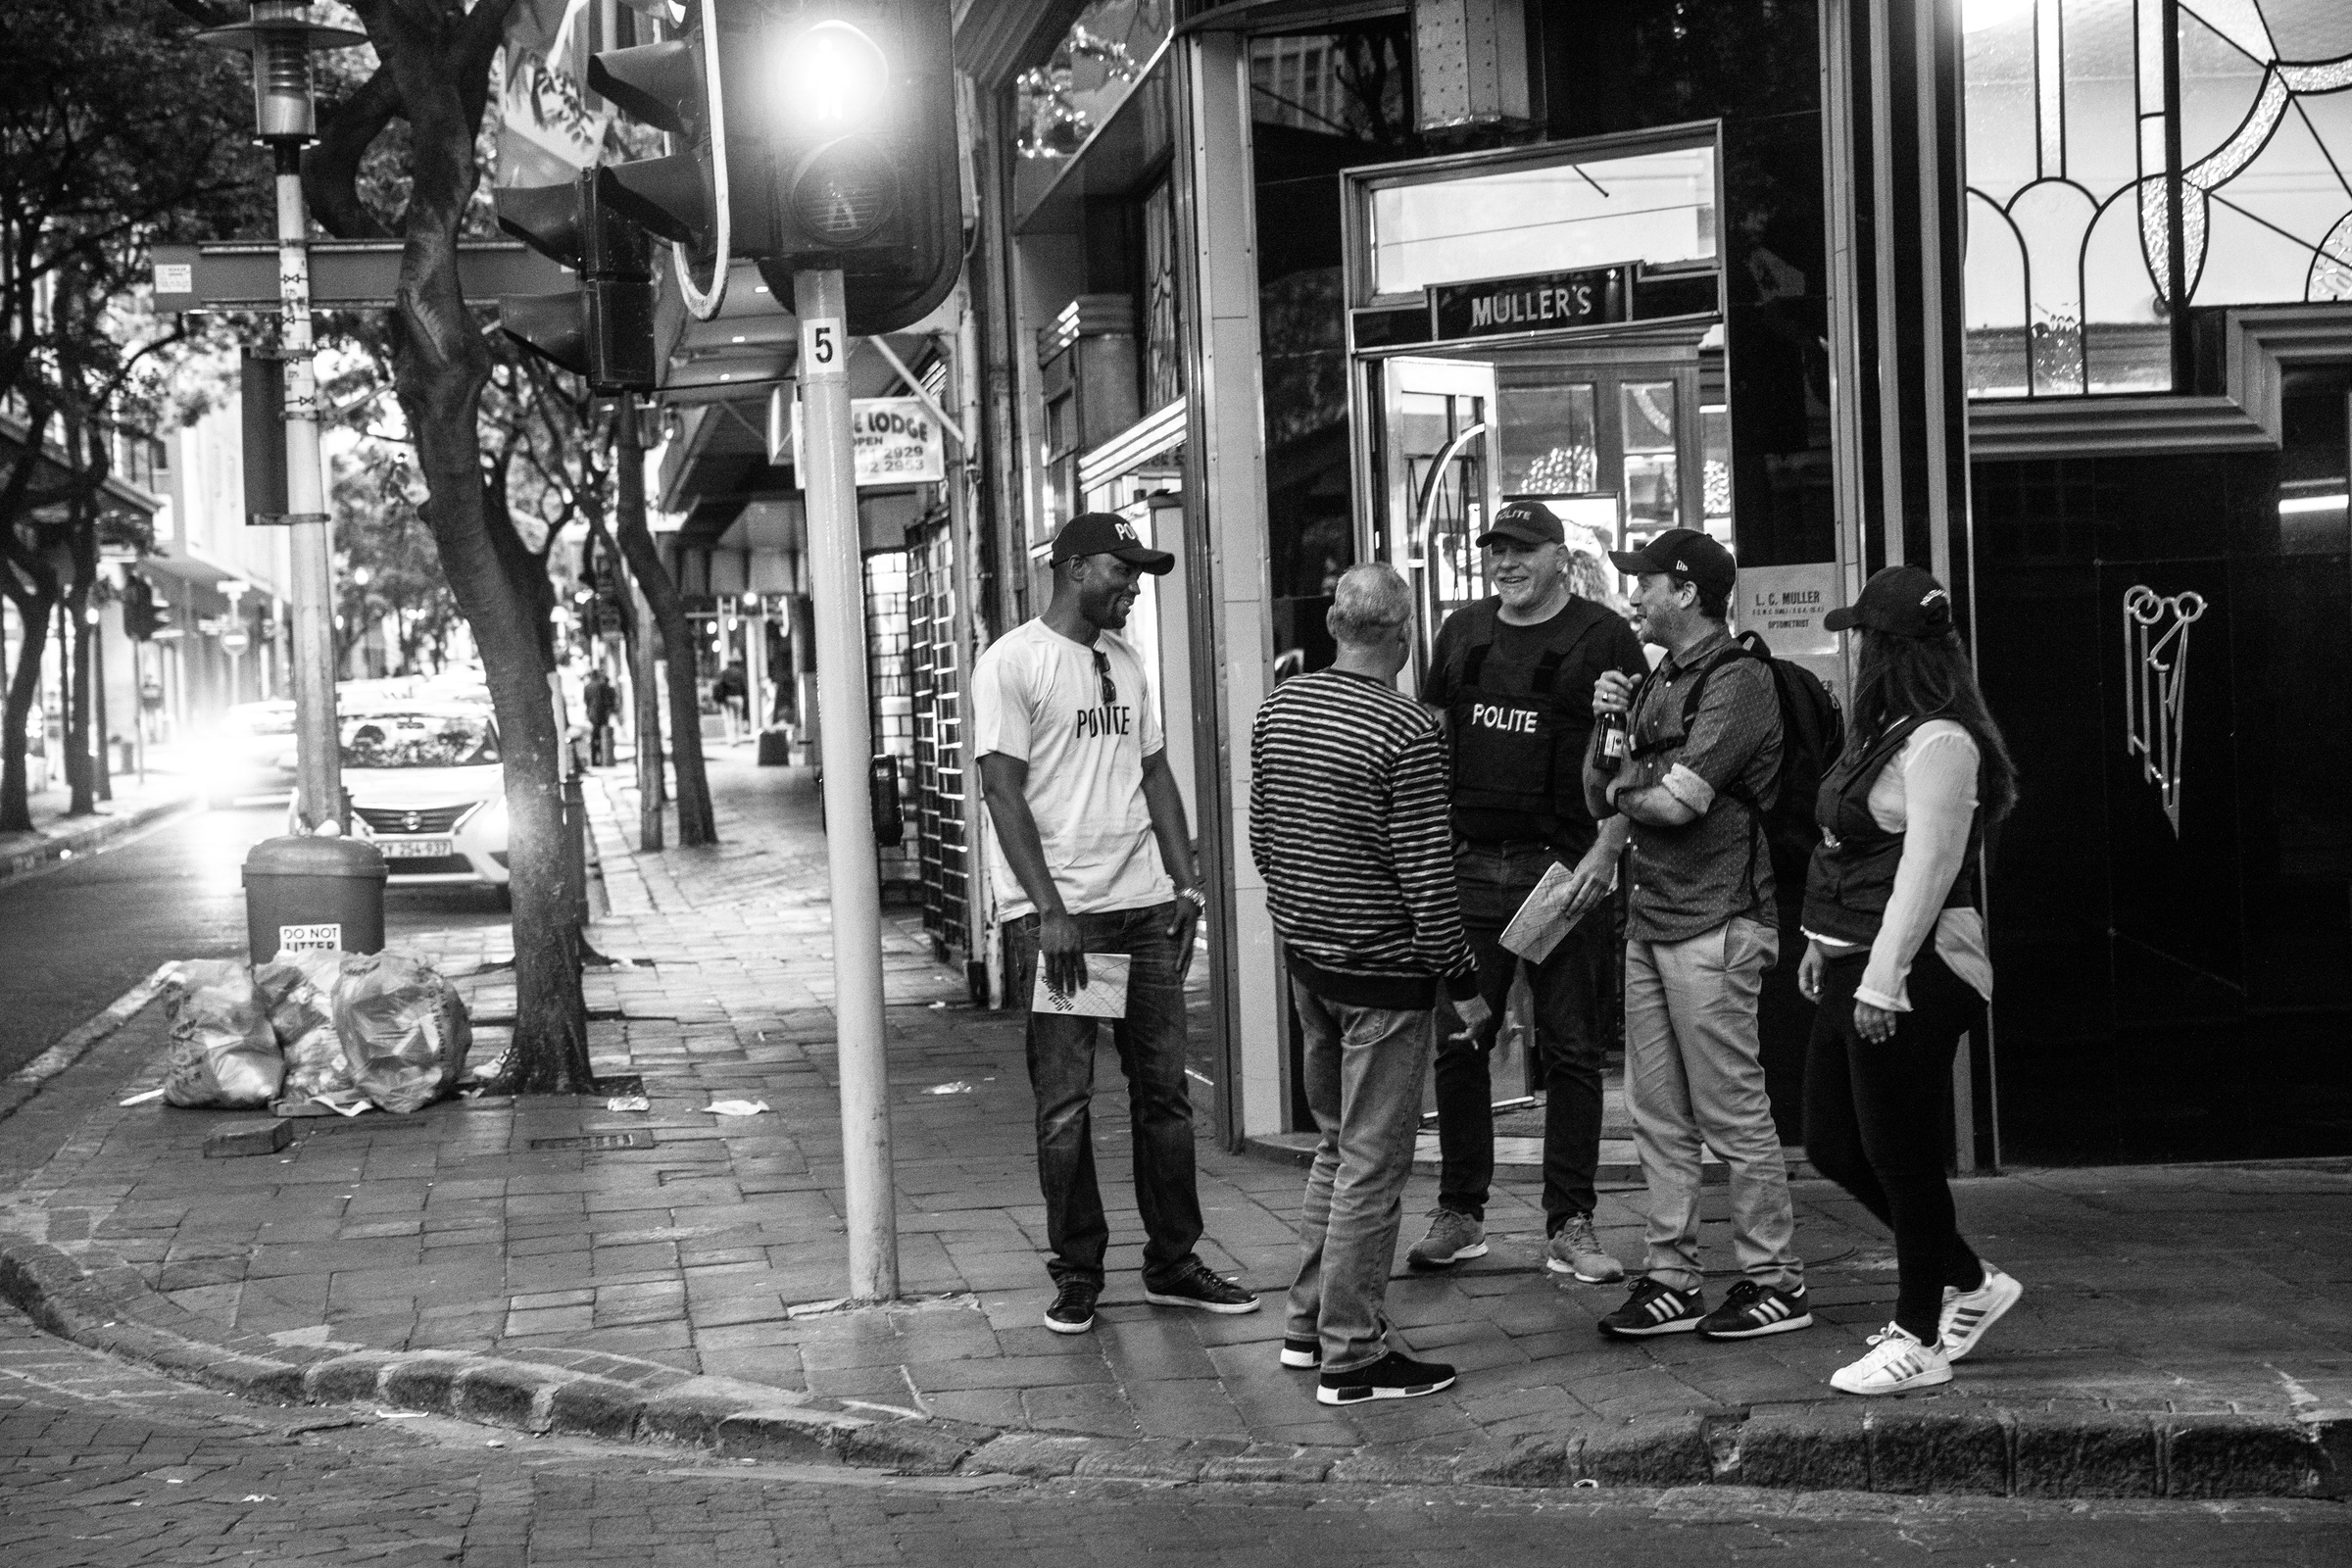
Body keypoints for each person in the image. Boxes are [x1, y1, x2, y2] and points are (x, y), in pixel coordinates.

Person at [972, 512, 1259, 1334]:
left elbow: (1155, 771)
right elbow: (1002, 793)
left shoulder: (1126, 660)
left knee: (1163, 1096)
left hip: (1140, 913)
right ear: (1073, 570)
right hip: (1068, 926)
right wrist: (1050, 912)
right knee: (1067, 1105)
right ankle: (1078, 1271)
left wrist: (1187, 881)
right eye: (1122, 570)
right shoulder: (1014, 664)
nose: (1134, 584)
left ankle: (1173, 1261)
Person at [1250, 564, 1492, 1405]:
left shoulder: (1281, 706)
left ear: (1334, 626)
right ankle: (1352, 1355)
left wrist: (1299, 926)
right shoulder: (1407, 729)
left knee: (1334, 1147)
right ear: (1401, 633)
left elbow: (1262, 838)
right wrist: (1464, 982)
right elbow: (1426, 877)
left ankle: (1306, 1322)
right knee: (1372, 1166)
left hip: (1308, 962)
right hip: (1383, 976)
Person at [1409, 501, 1647, 1285]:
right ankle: (1460, 1211)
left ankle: (1570, 1224)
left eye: (1520, 551)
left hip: (1561, 871)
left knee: (1572, 1050)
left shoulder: (1605, 636)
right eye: (1495, 551)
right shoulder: (1462, 632)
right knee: (1460, 1041)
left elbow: (1632, 754)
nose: (1504, 564)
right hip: (1471, 865)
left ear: (1557, 555)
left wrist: (1608, 852)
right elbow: (1432, 737)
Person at [1799, 564, 2024, 1395]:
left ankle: (1919, 1336)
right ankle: (1970, 1280)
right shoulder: (1888, 729)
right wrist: (1823, 943)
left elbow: (1927, 871)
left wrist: (1883, 984)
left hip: (1920, 970)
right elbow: (1851, 854)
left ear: (1889, 647)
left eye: (1862, 636)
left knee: (1901, 1158)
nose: (1852, 648)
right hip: (1858, 961)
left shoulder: (1941, 742)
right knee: (1832, 1142)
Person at [1584, 528, 1809, 1341]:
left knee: (1732, 1114)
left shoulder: (1740, 680)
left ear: (1683, 590)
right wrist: (1610, 731)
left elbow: (1678, 804)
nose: (1630, 597)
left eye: (1641, 583)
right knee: (1659, 1117)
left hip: (1718, 921)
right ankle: (1673, 1278)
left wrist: (1624, 790)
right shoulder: (1653, 685)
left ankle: (1774, 1279)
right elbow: (1600, 793)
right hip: (1650, 919)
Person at [581, 667, 618, 767]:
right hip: (601, 713)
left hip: (591, 714)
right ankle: (603, 758)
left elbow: (586, 701)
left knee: (594, 736)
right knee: (603, 736)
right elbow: (605, 700)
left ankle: (594, 760)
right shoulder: (601, 686)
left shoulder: (587, 687)